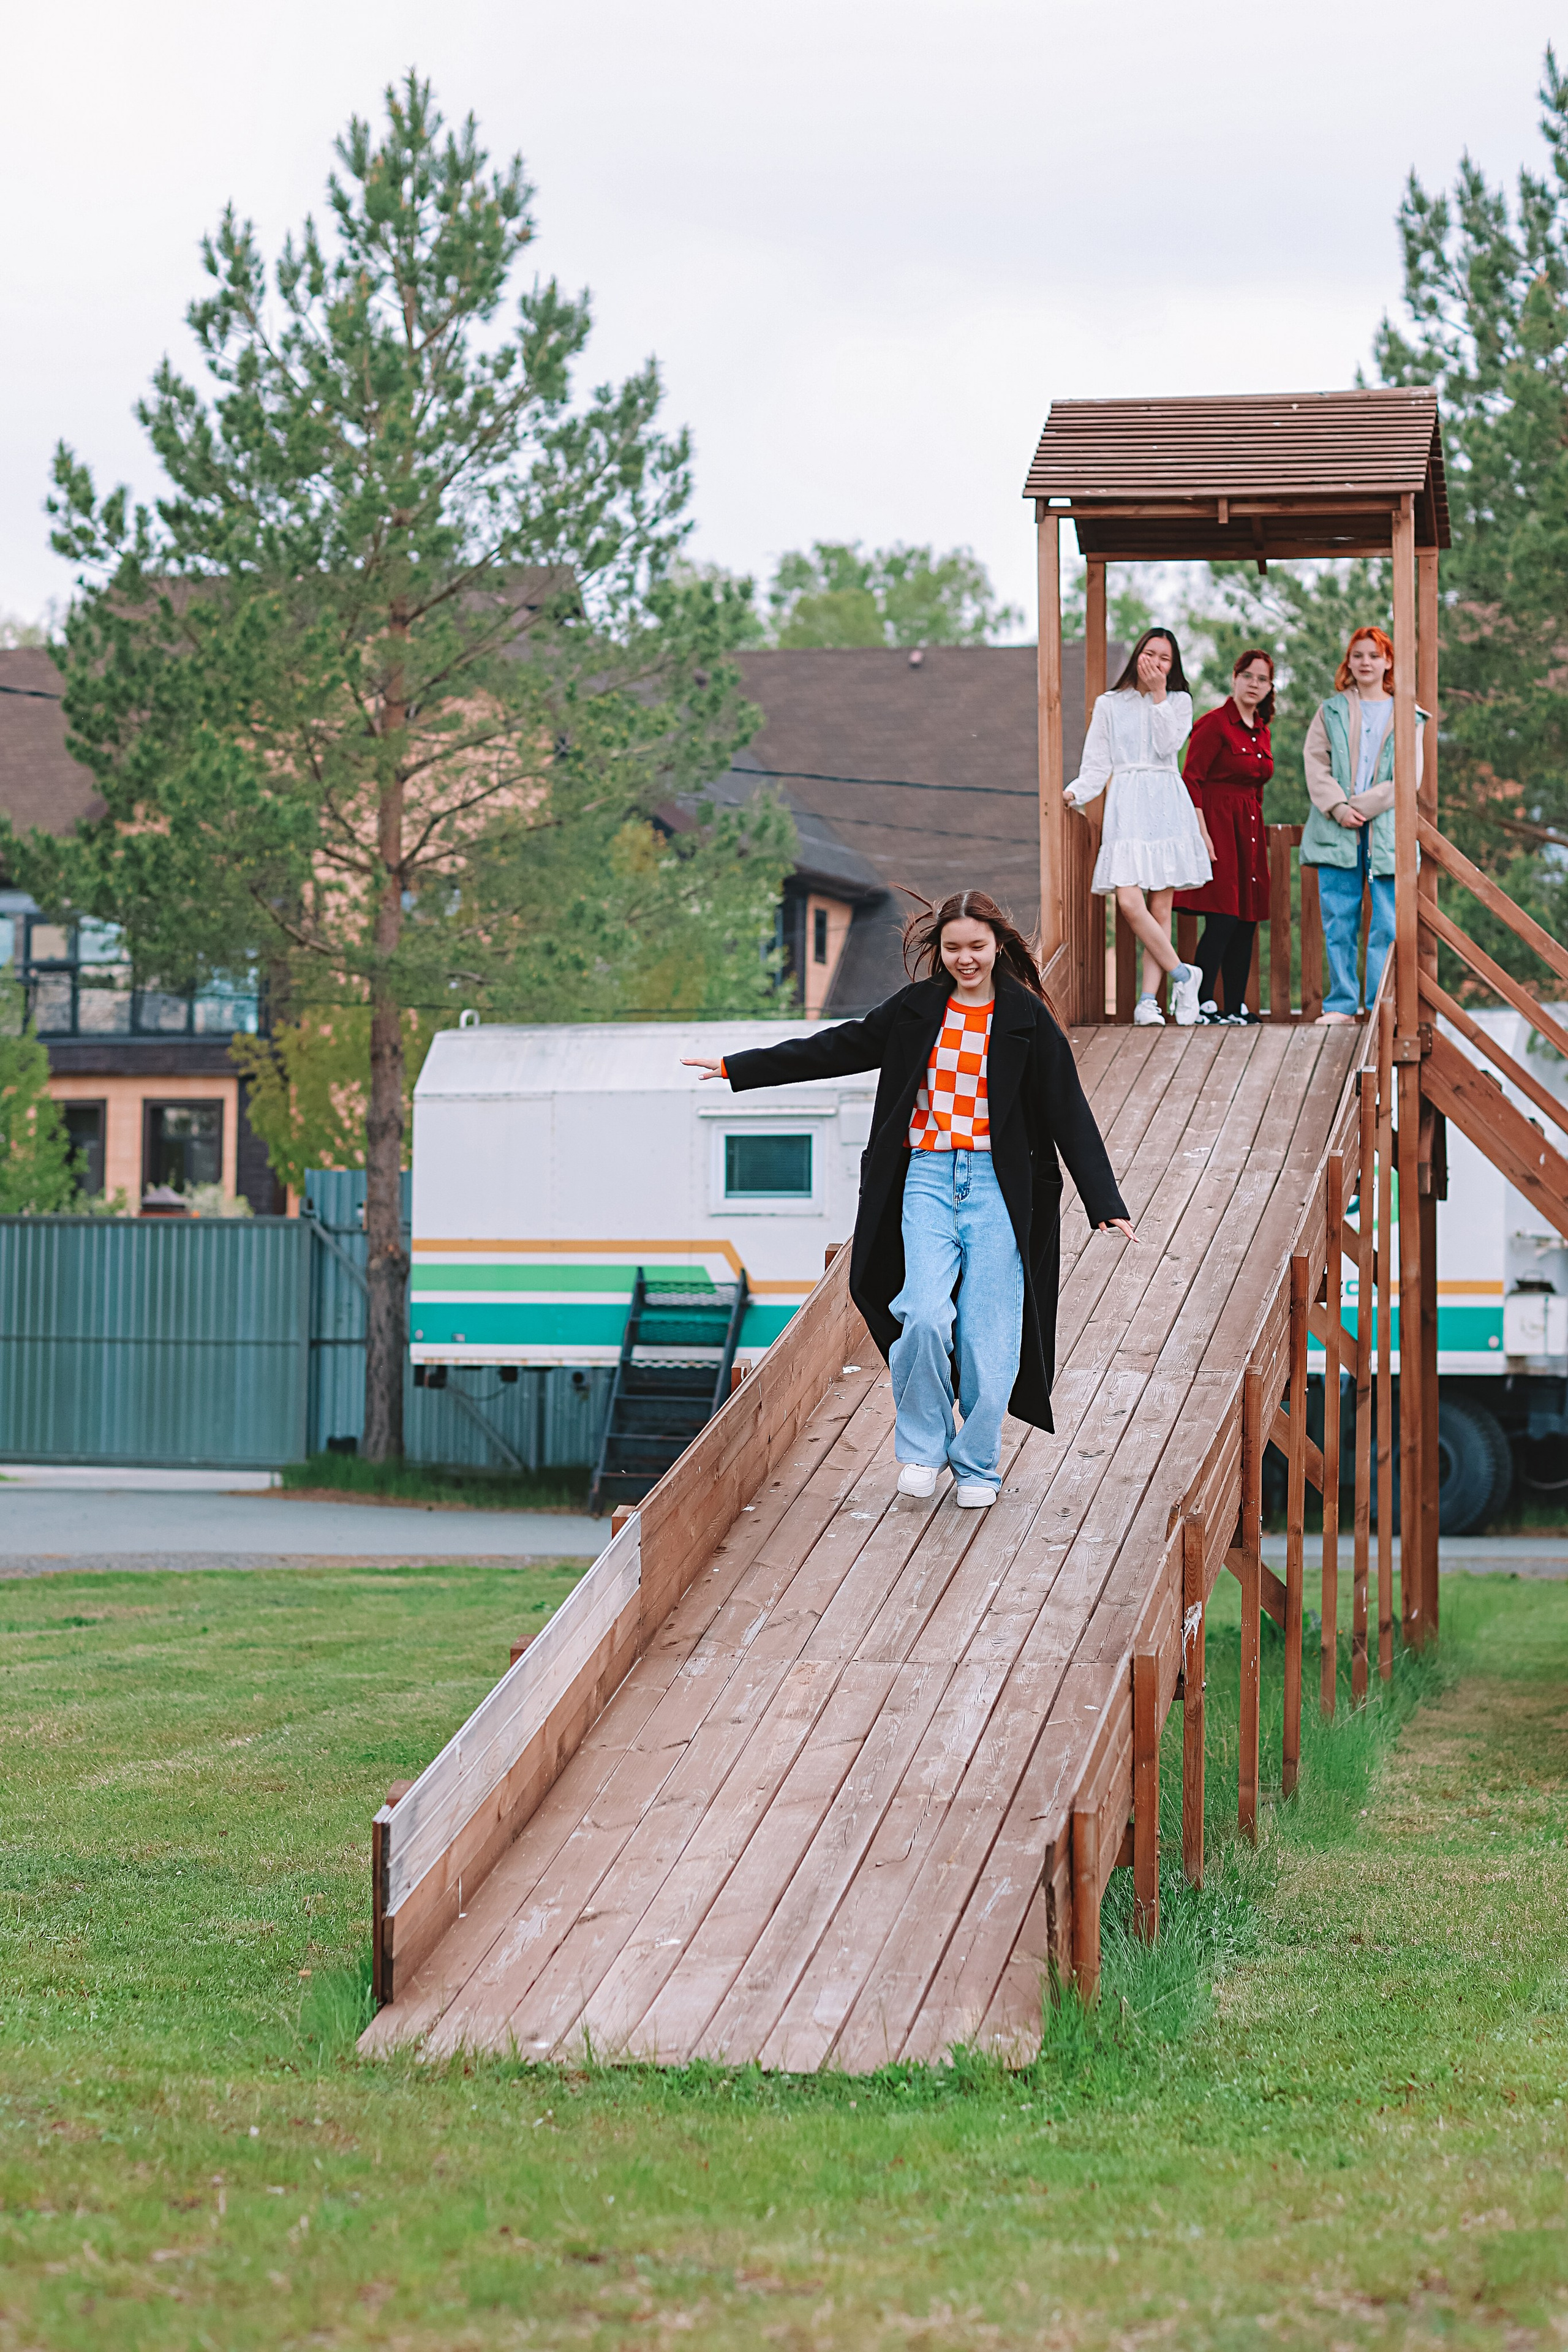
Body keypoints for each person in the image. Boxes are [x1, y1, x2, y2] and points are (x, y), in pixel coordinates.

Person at [681, 891, 1134, 1507]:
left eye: (976, 947)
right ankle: (923, 1448)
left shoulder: (1026, 1019)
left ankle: (976, 1465)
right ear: (937, 949)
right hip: (925, 1176)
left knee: (988, 1338)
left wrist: (1103, 1199)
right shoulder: (917, 1010)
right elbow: (836, 1048)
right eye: (953, 948)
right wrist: (741, 1068)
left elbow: (1067, 1111)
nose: (965, 959)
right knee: (921, 1314)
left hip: (1000, 1188)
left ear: (997, 945)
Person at [1065, 627, 1214, 1028]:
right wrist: (1075, 794)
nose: (1157, 663)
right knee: (1130, 902)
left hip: (1166, 802)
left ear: (1173, 666)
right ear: (1137, 655)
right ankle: (1184, 975)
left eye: (1166, 658)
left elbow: (1168, 747)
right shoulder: (1110, 704)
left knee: (1161, 906)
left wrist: (1160, 694)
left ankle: (1149, 1000)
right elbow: (1097, 764)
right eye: (1152, 654)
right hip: (1127, 804)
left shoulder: (1179, 701)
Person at [1301, 626, 1425, 1025]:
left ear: (1388, 660)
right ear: (1349, 662)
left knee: (1386, 924)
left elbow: (1410, 775)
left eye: (1374, 655)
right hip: (1336, 827)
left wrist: (1364, 806)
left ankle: (1377, 1006)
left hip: (1386, 829)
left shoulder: (1409, 714)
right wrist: (1338, 807)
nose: (1366, 662)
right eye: (1358, 655)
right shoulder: (1331, 710)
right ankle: (1340, 1005)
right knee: (1339, 920)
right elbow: (1315, 762)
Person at [1175, 649, 1275, 1023]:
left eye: (1262, 679)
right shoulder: (1215, 724)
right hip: (1216, 826)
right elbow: (1191, 779)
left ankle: (1235, 1006)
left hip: (1248, 830)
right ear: (1235, 678)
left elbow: (1257, 785)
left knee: (1246, 919)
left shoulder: (1262, 730)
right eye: (1248, 676)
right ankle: (1200, 1003)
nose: (1254, 684)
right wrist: (1200, 833)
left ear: (1269, 687)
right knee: (1223, 918)